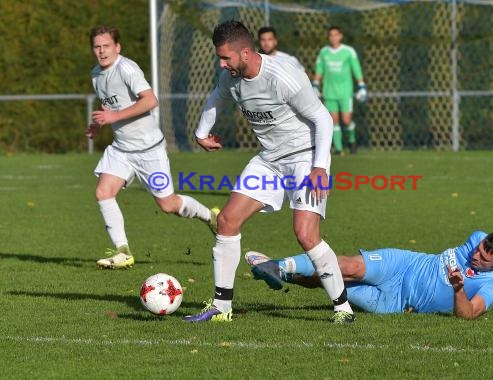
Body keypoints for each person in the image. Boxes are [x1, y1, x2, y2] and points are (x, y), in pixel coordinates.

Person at [183, 20, 355, 324]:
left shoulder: (283, 76)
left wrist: (319, 168)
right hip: (270, 161)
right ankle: (221, 308)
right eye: (220, 58)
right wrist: (201, 133)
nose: (222, 65)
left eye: (226, 58)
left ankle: (343, 309)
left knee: (305, 234)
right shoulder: (231, 77)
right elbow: (216, 97)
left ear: (246, 53)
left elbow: (323, 118)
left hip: (304, 157)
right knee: (226, 221)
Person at [86, 26, 217, 269]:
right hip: (122, 150)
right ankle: (123, 251)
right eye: (97, 46)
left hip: (149, 151)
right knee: (103, 193)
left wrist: (114, 117)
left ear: (117, 47)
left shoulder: (126, 68)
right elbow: (108, 109)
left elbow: (150, 100)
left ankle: (210, 216)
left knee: (168, 205)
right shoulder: (96, 74)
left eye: (106, 46)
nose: (102, 51)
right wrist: (97, 125)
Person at [246, 230, 493, 319]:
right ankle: (278, 266)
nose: (475, 256)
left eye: (484, 259)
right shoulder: (478, 237)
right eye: (479, 249)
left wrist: (458, 289)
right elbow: (477, 247)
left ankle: (287, 275)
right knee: (349, 266)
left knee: (333, 284)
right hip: (404, 264)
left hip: (397, 303)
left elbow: (469, 314)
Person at [313, 26, 366, 155]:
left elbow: (356, 69)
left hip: (345, 92)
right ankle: (338, 148)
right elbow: (319, 70)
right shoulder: (324, 52)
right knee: (333, 120)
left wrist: (362, 86)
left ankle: (352, 141)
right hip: (329, 92)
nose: (333, 37)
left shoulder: (348, 51)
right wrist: (315, 85)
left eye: (336, 35)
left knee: (346, 120)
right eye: (331, 35)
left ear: (340, 36)